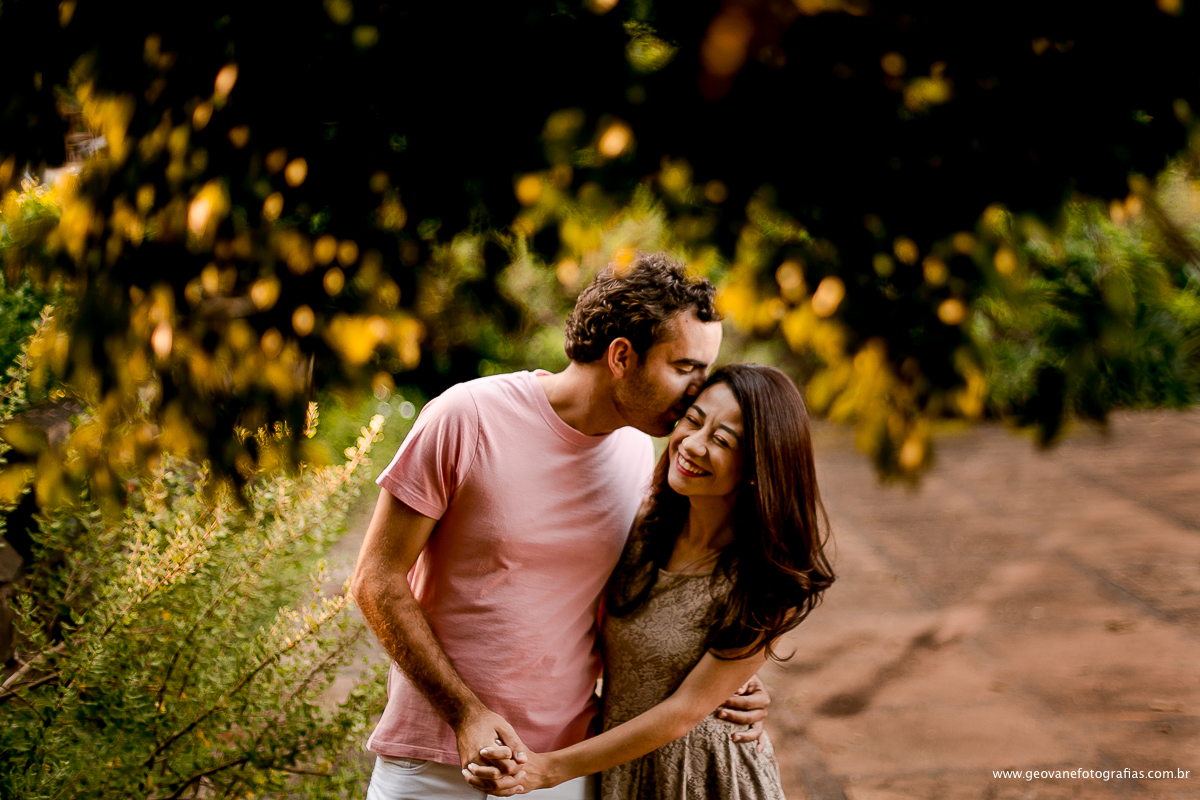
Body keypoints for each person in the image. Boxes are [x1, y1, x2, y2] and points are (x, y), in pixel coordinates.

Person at [350, 253, 771, 800]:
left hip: (561, 768)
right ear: (622, 355)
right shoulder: (465, 416)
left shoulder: (639, 456)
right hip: (434, 762)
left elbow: (630, 603)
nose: (697, 390)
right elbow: (375, 580)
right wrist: (466, 715)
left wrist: (727, 678)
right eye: (685, 367)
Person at [463, 364, 836, 798]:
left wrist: (546, 771)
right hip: (618, 764)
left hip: (703, 776)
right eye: (694, 421)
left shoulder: (767, 579)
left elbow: (683, 712)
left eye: (721, 440)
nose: (693, 445)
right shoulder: (645, 529)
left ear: (759, 465)